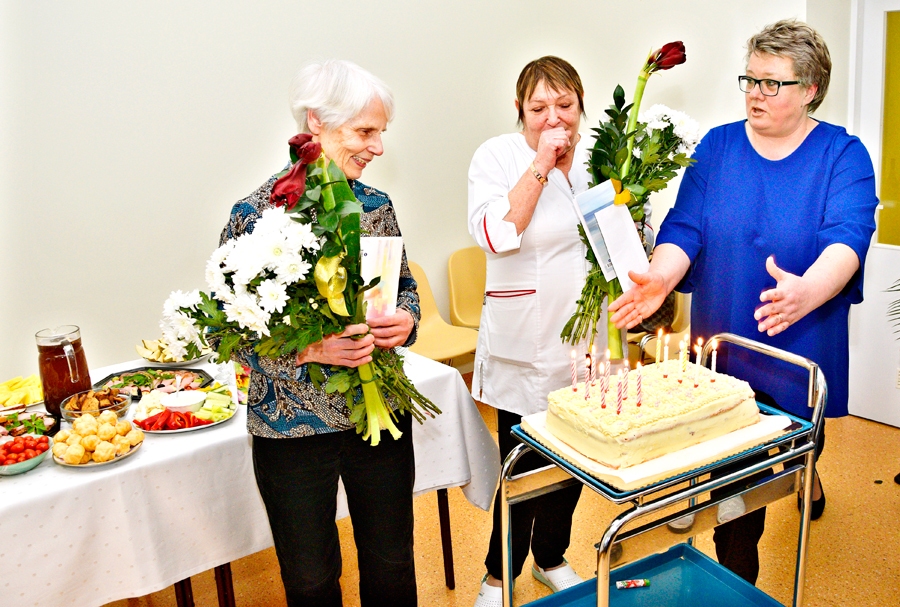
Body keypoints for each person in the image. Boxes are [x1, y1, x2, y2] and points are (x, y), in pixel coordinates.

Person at [610, 20, 878, 584]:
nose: (754, 93)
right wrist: (659, 278)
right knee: (734, 501)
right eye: (749, 79)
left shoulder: (843, 156)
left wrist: (808, 290)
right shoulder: (718, 146)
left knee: (806, 437)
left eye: (771, 83)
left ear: (810, 89)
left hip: (801, 342)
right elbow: (684, 228)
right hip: (725, 349)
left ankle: (809, 469)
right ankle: (736, 585)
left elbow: (848, 238)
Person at [217, 59, 420, 607]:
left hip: (376, 418)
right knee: (310, 579)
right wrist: (309, 349)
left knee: (393, 561)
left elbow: (403, 286)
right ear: (316, 123)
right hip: (290, 431)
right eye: (365, 131)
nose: (378, 147)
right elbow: (226, 336)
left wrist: (406, 321)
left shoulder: (376, 206)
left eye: (381, 133)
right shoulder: (255, 216)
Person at [468, 56, 604, 606]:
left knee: (574, 459)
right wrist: (543, 164)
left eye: (564, 106)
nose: (553, 118)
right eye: (538, 108)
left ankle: (550, 557)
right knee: (523, 463)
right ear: (519, 112)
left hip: (587, 338)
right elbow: (495, 235)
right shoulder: (498, 156)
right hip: (524, 339)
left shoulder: (598, 155)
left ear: (581, 107)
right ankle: (499, 573)